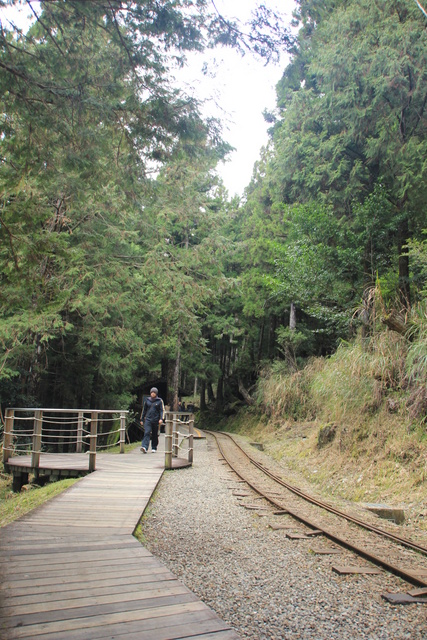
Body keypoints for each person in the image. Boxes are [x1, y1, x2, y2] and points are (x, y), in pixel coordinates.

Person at [140, 388, 163, 453]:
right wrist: (142, 419)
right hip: (148, 419)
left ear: (156, 393)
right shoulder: (147, 401)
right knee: (147, 432)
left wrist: (161, 418)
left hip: (156, 419)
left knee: (154, 434)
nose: (153, 393)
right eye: (152, 392)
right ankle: (144, 447)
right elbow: (144, 410)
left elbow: (162, 410)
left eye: (154, 392)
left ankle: (154, 447)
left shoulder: (159, 401)